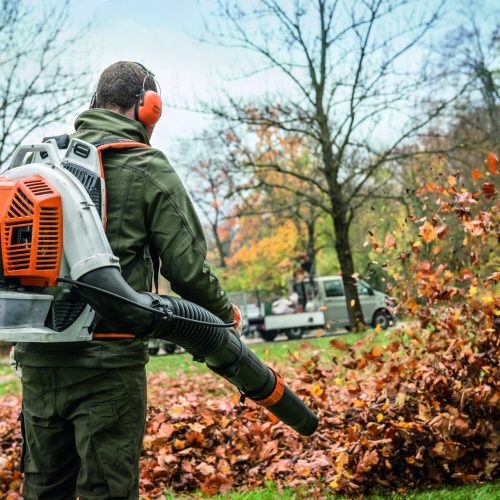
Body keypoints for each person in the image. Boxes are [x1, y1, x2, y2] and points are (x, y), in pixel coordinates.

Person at [14, 61, 240, 500]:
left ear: (94, 103)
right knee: (107, 491)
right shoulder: (146, 165)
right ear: (148, 107)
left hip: (39, 362)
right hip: (109, 363)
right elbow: (187, 270)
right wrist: (223, 316)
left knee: (42, 489)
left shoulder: (45, 164)